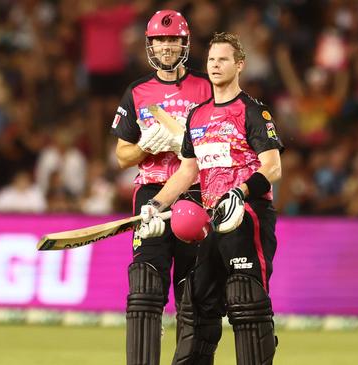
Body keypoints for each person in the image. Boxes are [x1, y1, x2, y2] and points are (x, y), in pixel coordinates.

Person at [138, 32, 283, 365]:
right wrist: (155, 205)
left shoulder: (252, 111)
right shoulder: (196, 116)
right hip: (210, 219)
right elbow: (187, 173)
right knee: (197, 303)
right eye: (212, 60)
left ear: (239, 65)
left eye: (224, 60)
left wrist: (240, 191)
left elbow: (272, 167)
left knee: (246, 302)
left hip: (247, 214)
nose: (216, 66)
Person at [109, 9, 212, 365]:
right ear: (150, 45)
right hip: (151, 192)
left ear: (184, 43)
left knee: (195, 292)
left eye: (172, 40)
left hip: (197, 191)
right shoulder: (137, 91)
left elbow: (222, 140)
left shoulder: (205, 87)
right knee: (145, 286)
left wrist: (185, 141)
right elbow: (122, 157)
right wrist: (146, 146)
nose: (166, 47)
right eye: (159, 40)